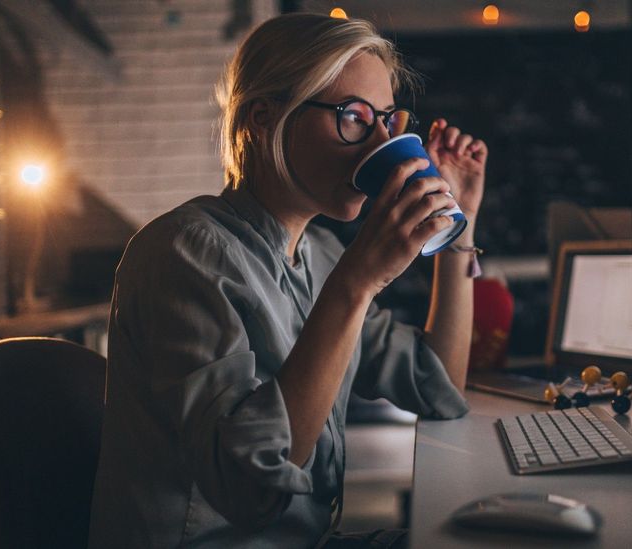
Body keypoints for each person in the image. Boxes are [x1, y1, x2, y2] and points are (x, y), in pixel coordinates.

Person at [88, 12, 488, 549]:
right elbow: (249, 489)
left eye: (388, 121)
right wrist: (357, 283)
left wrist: (457, 227)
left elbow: (438, 386)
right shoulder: (183, 253)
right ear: (263, 119)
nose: (379, 144)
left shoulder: (319, 253)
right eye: (353, 117)